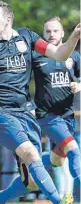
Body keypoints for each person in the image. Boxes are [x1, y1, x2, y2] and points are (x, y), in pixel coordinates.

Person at [0, 0, 80, 204]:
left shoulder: (27, 36)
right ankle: (59, 200)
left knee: (31, 182)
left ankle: (0, 198)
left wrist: (73, 37)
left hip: (27, 114)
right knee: (31, 154)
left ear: (8, 19)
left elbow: (59, 54)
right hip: (0, 113)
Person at [33, 17, 80, 193]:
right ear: (43, 34)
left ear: (63, 33)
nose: (51, 34)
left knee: (56, 160)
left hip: (67, 116)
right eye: (48, 31)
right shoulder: (36, 55)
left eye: (55, 31)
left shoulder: (74, 55)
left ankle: (29, 163)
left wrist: (79, 85)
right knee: (74, 151)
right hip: (47, 116)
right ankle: (63, 197)